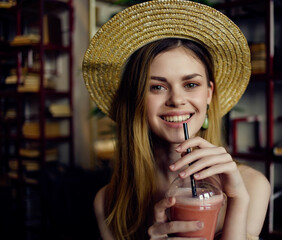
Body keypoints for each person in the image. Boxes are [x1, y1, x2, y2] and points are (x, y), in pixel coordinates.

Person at [82, 0, 270, 239]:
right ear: (137, 99)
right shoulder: (108, 201)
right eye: (157, 87)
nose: (177, 100)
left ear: (209, 93)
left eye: (191, 84)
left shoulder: (250, 187)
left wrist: (238, 202)